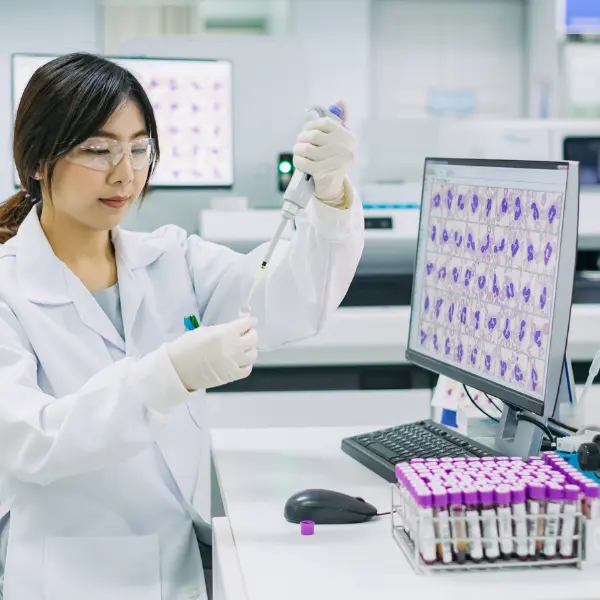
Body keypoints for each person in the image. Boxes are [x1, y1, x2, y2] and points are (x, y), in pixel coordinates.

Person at [0, 52, 363, 600]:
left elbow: (288, 299)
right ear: (36, 161)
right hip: (70, 576)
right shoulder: (8, 292)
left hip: (176, 564)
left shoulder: (171, 260)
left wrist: (332, 194)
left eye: (139, 147)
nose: (125, 172)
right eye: (98, 149)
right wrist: (167, 375)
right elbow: (30, 440)